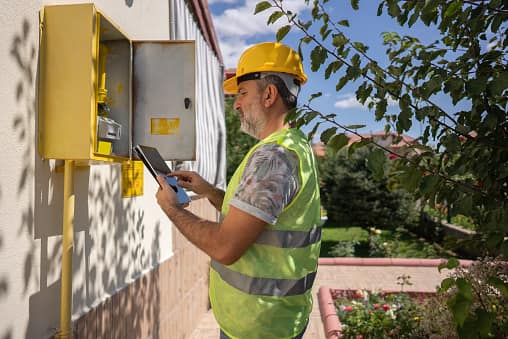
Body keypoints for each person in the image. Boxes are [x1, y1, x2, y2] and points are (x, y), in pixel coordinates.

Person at [155, 42, 321, 339]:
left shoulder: (273, 158)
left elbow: (225, 247)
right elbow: (255, 218)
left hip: (260, 327)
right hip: (268, 321)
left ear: (269, 95)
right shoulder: (292, 145)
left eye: (242, 93)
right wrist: (209, 191)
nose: (236, 104)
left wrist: (171, 209)